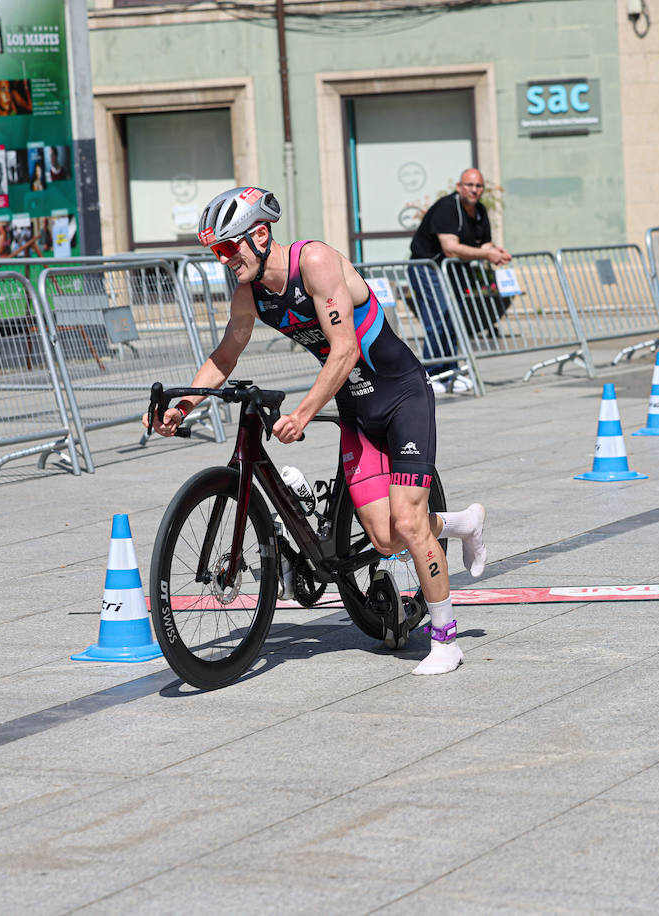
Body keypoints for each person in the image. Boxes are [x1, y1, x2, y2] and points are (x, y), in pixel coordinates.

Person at [149, 186, 487, 676]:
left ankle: (445, 640)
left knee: (411, 524)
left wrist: (304, 413)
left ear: (260, 235)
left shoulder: (317, 263)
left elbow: (345, 348)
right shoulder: (248, 292)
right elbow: (225, 355)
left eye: (228, 247)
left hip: (402, 398)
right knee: (388, 539)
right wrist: (182, 406)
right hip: (357, 412)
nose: (223, 260)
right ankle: (462, 523)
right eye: (216, 252)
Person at [407, 168, 509, 393]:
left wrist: (496, 252)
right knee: (438, 319)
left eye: (479, 186)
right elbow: (450, 249)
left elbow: (483, 244)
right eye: (470, 185)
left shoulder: (479, 210)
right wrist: (486, 254)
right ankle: (432, 374)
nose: (474, 190)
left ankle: (450, 370)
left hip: (451, 271)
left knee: (455, 319)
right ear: (459, 187)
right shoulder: (447, 208)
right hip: (428, 268)